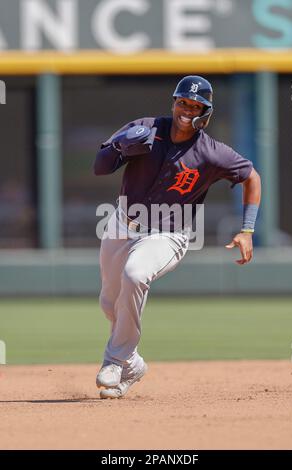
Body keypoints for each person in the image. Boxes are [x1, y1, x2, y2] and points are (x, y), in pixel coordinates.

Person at [93, 75, 261, 399]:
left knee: (135, 274)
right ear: (174, 102)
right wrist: (117, 147)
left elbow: (251, 177)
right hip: (120, 224)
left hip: (169, 233)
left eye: (196, 106)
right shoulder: (145, 128)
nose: (187, 110)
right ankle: (132, 363)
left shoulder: (212, 153)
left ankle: (114, 360)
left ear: (206, 113)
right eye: (183, 102)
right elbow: (100, 168)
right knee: (109, 302)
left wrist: (248, 229)